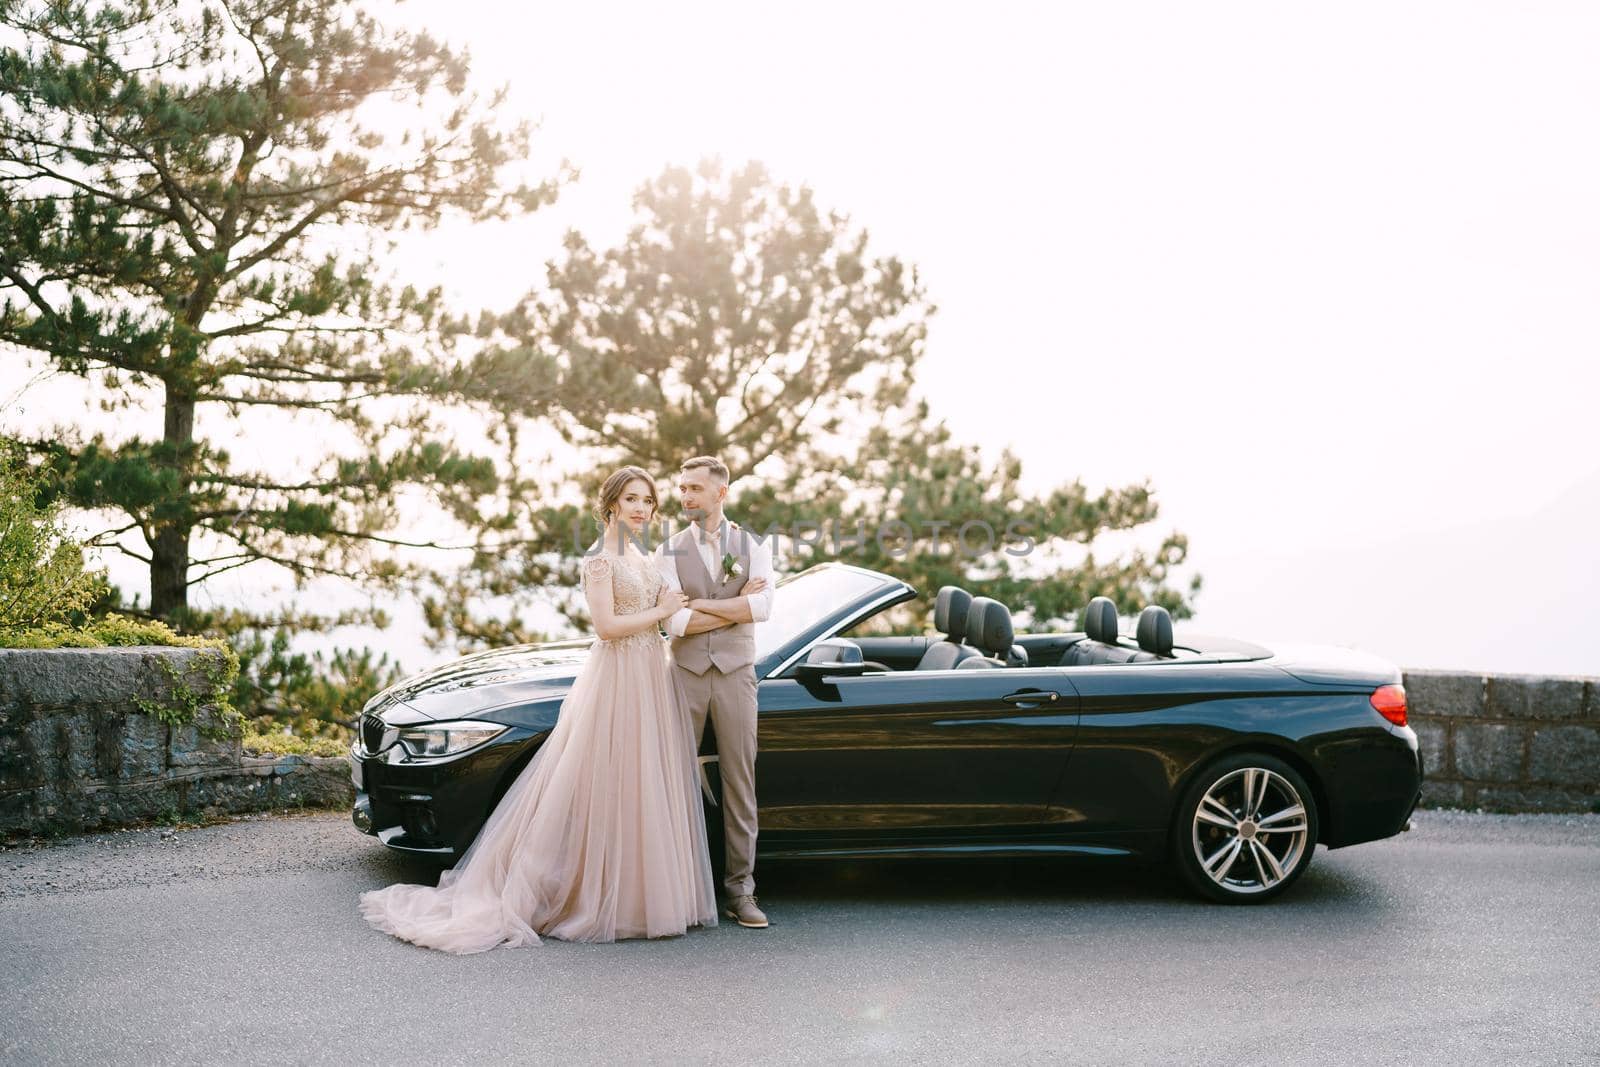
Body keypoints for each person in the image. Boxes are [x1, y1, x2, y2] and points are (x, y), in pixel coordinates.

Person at [357, 466, 719, 953]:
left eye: (648, 501)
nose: (641, 508)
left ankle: (637, 895)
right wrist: (660, 611)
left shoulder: (641, 553)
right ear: (611, 502)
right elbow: (607, 627)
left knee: (639, 783)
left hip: (651, 674)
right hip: (618, 676)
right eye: (632, 498)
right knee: (601, 780)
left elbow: (671, 606)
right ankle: (586, 894)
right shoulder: (600, 561)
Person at [652, 455, 776, 929]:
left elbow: (764, 608)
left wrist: (702, 603)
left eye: (695, 489)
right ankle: (682, 890)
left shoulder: (753, 545)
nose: (686, 497)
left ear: (720, 493)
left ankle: (740, 892)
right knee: (676, 780)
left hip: (736, 674)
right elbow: (675, 621)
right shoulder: (668, 550)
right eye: (682, 488)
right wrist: (734, 605)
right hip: (683, 673)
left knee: (739, 783)